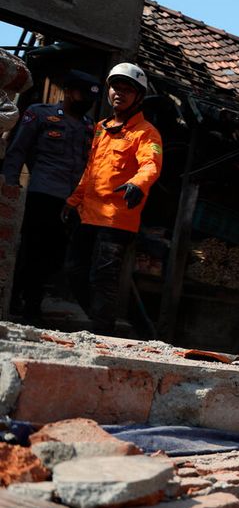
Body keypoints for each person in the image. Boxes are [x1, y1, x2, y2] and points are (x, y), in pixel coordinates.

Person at [64, 63, 161, 335]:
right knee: (73, 270)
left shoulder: (146, 133)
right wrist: (73, 201)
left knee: (103, 278)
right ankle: (101, 321)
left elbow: (151, 165)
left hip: (117, 219)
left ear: (138, 96)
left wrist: (137, 183)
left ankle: (100, 333)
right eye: (116, 87)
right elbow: (91, 170)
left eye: (127, 90)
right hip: (88, 214)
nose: (120, 93)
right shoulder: (100, 128)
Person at [3, 70, 99, 324]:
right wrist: (10, 184)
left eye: (91, 98)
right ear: (68, 92)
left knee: (56, 256)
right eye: (82, 94)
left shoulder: (90, 127)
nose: (86, 101)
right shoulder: (40, 113)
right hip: (43, 193)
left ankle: (30, 297)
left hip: (73, 201)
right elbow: (18, 149)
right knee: (34, 249)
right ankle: (27, 304)